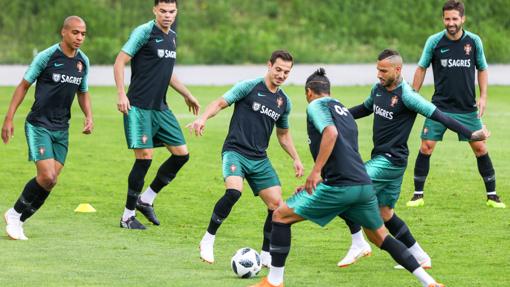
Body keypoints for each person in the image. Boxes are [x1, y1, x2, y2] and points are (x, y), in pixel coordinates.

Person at [250, 68, 444, 287]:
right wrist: (321, 179)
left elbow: (330, 134)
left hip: (340, 187)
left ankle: (274, 282)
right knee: (380, 237)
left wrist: (314, 173)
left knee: (280, 216)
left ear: (309, 92)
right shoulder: (342, 109)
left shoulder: (316, 105)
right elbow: (345, 154)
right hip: (362, 186)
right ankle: (429, 282)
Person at [337, 49, 489, 268]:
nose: (378, 74)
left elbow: (439, 115)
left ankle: (359, 242)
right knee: (385, 213)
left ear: (397, 69)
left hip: (390, 161)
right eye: (377, 69)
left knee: (346, 186)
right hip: (387, 160)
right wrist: (338, 113)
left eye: (383, 70)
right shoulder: (378, 89)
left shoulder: (407, 95)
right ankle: (420, 255)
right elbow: (365, 108)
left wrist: (471, 134)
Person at [188, 50, 304, 265]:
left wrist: (296, 158)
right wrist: (203, 118)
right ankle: (208, 239)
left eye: (286, 72)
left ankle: (266, 254)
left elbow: (283, 134)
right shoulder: (249, 86)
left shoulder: (283, 102)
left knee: (276, 205)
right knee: (233, 191)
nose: (281, 75)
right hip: (235, 151)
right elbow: (220, 102)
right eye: (278, 69)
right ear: (269, 65)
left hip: (259, 158)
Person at [406, 0, 505, 208]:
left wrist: (483, 96)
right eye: (447, 19)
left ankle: (492, 196)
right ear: (443, 19)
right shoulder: (434, 41)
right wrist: (413, 95)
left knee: (480, 147)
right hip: (439, 107)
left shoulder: (474, 41)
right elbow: (421, 67)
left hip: (467, 108)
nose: (450, 23)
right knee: (426, 146)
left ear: (462, 19)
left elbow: (483, 68)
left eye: (454, 19)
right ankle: (417, 195)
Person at [2, 16, 92, 240]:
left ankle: (19, 220)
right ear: (64, 32)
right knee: (47, 175)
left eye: (83, 34)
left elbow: (83, 92)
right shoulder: (47, 56)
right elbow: (23, 86)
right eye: (75, 33)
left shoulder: (83, 62)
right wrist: (9, 119)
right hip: (38, 125)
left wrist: (88, 115)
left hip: (62, 128)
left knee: (51, 181)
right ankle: (14, 215)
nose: (79, 37)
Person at [113, 0, 200, 229]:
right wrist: (122, 94)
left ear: (176, 12)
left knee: (182, 154)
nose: (167, 15)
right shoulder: (144, 32)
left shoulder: (172, 36)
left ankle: (146, 199)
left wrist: (187, 94)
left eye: (171, 11)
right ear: (154, 10)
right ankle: (127, 217)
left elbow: (168, 73)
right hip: (138, 108)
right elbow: (120, 61)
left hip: (160, 108)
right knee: (145, 158)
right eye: (163, 11)